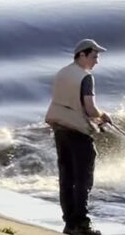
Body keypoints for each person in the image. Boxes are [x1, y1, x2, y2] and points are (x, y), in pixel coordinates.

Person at [45, 39, 112, 235]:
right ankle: (82, 225)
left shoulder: (62, 73)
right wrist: (103, 116)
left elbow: (67, 101)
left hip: (60, 128)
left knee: (66, 177)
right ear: (82, 55)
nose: (96, 61)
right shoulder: (85, 77)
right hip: (77, 130)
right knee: (83, 179)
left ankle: (69, 223)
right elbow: (90, 109)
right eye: (94, 56)